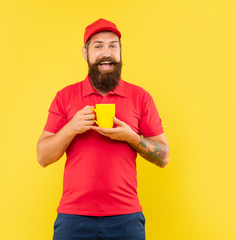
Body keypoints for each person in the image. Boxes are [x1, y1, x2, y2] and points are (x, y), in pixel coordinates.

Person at [37, 18, 170, 240]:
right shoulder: (65, 97)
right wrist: (71, 128)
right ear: (85, 53)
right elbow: (43, 157)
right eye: (98, 46)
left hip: (126, 217)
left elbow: (163, 157)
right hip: (73, 216)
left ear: (120, 52)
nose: (106, 52)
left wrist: (132, 138)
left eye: (112, 45)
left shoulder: (141, 97)